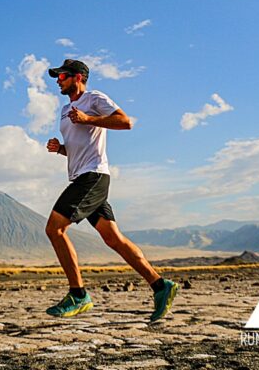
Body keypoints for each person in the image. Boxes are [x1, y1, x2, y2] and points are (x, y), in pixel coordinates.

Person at [43, 59, 178, 321]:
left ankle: (78, 294)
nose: (58, 81)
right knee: (113, 239)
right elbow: (79, 144)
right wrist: (60, 148)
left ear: (78, 77)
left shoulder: (94, 98)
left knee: (54, 229)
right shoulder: (64, 110)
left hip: (93, 176)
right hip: (81, 176)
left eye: (62, 76)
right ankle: (161, 286)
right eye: (57, 77)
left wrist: (88, 118)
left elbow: (125, 122)